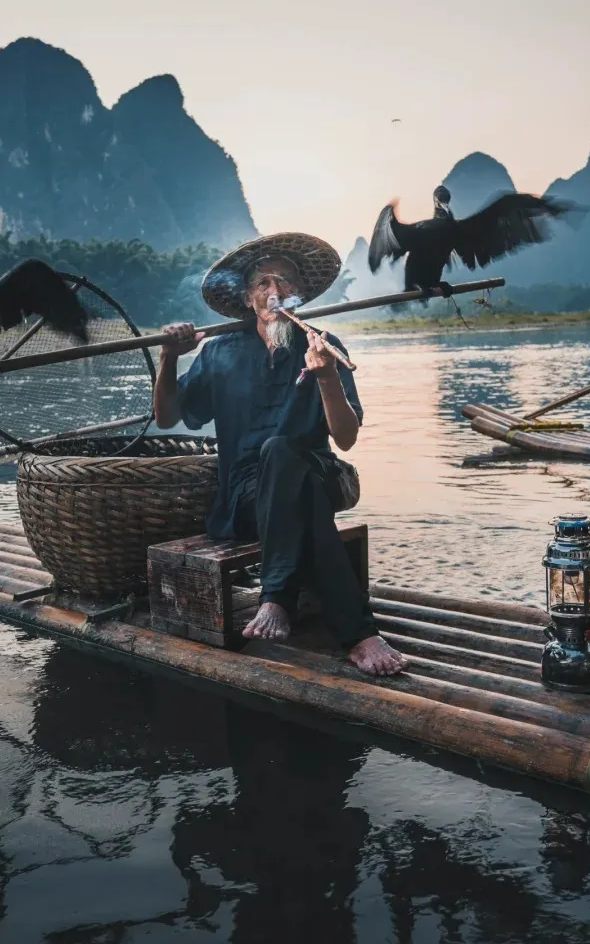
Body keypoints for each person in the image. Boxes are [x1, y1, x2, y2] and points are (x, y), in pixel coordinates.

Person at [153, 233, 407, 678]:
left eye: (285, 283)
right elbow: (168, 415)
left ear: (300, 295)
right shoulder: (220, 352)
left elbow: (345, 440)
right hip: (246, 501)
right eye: (264, 284)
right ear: (248, 298)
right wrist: (169, 358)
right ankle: (358, 633)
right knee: (289, 473)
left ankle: (276, 598)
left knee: (285, 451)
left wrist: (326, 377)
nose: (275, 293)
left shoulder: (323, 346)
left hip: (320, 473)